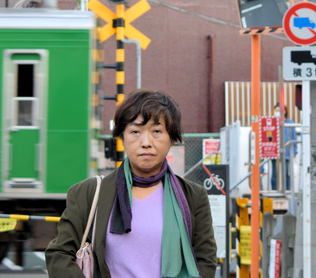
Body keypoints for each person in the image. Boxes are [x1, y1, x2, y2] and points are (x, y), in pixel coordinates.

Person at [45, 89, 217, 278]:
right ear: (122, 137)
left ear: (172, 139)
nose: (146, 142)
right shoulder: (88, 193)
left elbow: (205, 261)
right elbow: (59, 254)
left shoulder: (193, 197)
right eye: (135, 131)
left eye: (156, 131)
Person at [271, 103, 298, 191]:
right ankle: (274, 190)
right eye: (276, 111)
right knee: (274, 174)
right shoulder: (272, 122)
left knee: (286, 173)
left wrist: (294, 152)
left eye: (279, 111)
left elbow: (294, 137)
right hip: (274, 151)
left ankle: (287, 190)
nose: (277, 113)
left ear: (285, 111)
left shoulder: (290, 123)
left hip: (286, 152)